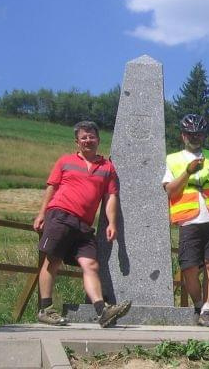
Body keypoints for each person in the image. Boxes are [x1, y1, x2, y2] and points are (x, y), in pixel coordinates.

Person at [33, 121, 131, 327]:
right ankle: (45, 309)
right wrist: (41, 214)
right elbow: (51, 188)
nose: (88, 140)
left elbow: (111, 197)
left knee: (91, 264)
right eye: (84, 137)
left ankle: (102, 311)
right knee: (53, 260)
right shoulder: (65, 161)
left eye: (92, 137)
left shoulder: (107, 168)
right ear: (77, 142)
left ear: (98, 140)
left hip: (84, 225)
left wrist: (112, 223)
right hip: (60, 215)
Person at [163, 114, 209, 328]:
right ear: (183, 136)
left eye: (199, 134)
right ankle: (198, 305)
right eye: (191, 134)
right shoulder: (172, 159)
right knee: (189, 267)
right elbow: (171, 191)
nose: (195, 137)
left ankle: (208, 309)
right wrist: (187, 171)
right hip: (189, 220)